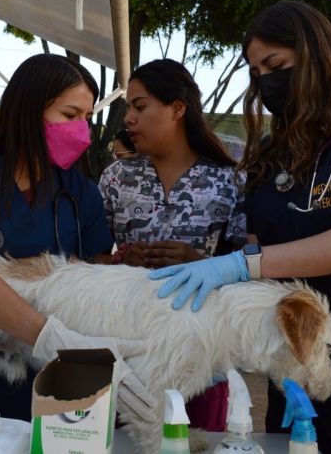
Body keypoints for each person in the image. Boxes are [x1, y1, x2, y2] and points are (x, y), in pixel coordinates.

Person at [148, 1, 331, 453]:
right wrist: (220, 330)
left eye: (276, 65)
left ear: (317, 53)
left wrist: (242, 265)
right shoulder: (276, 150)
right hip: (295, 363)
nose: (267, 81)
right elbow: (261, 252)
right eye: (256, 71)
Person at [0, 53, 154, 421]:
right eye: (70, 115)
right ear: (28, 110)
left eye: (87, 119)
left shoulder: (81, 192)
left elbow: (95, 280)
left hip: (54, 380)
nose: (82, 130)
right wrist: (51, 338)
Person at [98, 59, 246, 431]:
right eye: (129, 107)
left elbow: (251, 269)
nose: (128, 118)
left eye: (139, 106)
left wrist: (202, 262)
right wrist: (121, 263)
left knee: (195, 442)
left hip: (201, 353)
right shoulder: (116, 177)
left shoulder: (228, 180)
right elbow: (91, 259)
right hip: (126, 348)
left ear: (178, 108)